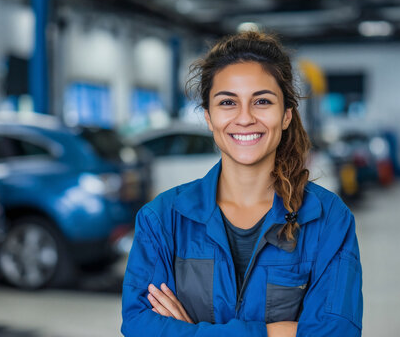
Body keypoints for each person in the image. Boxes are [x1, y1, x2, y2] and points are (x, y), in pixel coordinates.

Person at [121, 31, 363, 337]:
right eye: (227, 102)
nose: (245, 118)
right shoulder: (162, 219)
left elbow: (336, 332)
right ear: (208, 117)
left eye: (262, 101)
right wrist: (275, 333)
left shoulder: (327, 219)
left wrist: (189, 332)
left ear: (286, 115)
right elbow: (138, 324)